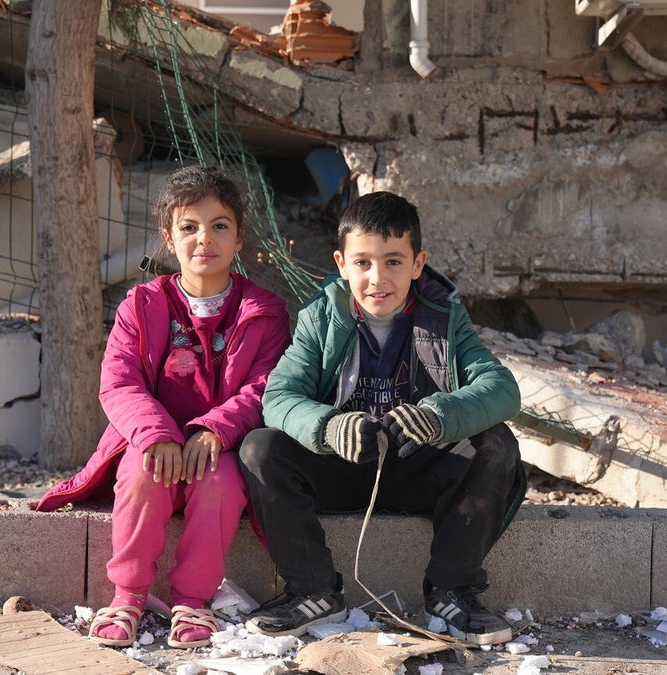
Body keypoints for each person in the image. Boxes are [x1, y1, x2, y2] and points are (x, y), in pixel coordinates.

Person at [238, 191, 526, 645]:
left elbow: (502, 389)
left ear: (418, 263)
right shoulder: (320, 318)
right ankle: (312, 590)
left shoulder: (446, 318)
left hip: (419, 468)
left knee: (496, 443)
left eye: (394, 261)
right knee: (261, 447)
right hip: (344, 468)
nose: (377, 278)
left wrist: (439, 415)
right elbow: (279, 396)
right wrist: (328, 427)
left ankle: (453, 592)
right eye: (363, 263)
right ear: (341, 263)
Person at [35, 165, 290, 649]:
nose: (204, 239)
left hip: (219, 449)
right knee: (140, 474)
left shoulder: (264, 312)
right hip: (152, 443)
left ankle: (193, 600)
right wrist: (157, 435)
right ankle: (128, 595)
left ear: (239, 238)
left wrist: (214, 430)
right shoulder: (142, 305)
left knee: (220, 482)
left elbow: (266, 387)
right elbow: (119, 382)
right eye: (189, 227)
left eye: (219, 226)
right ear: (169, 239)